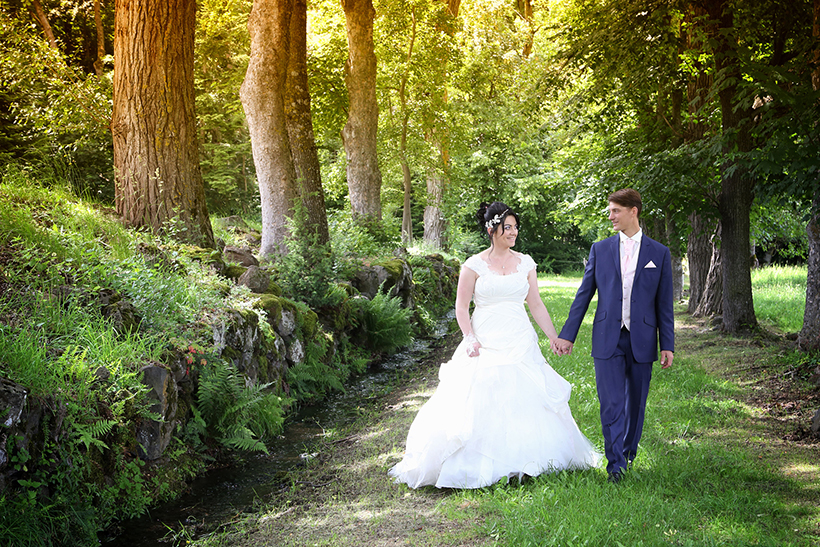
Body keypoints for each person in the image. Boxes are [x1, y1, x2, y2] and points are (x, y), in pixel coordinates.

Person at [388, 202, 601, 489]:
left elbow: (535, 303)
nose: (514, 232)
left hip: (519, 337)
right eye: (508, 227)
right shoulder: (473, 265)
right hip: (485, 338)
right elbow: (461, 307)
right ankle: (479, 462)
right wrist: (469, 337)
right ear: (493, 229)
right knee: (481, 395)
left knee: (525, 394)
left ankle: (527, 459)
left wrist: (552, 335)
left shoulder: (525, 262)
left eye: (515, 227)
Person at [554, 188, 674, 484]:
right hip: (607, 336)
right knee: (611, 403)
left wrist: (667, 344)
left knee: (636, 403)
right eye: (609, 211)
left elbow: (664, 303)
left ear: (633, 211)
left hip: (643, 338)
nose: (611, 216)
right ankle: (615, 465)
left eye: (615, 211)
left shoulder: (659, 253)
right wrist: (568, 334)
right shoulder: (601, 249)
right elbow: (584, 295)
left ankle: (629, 453)